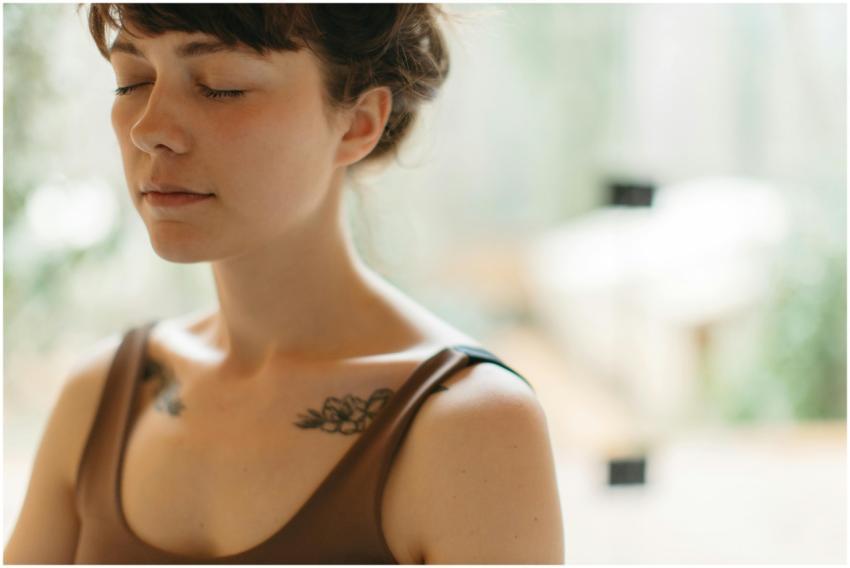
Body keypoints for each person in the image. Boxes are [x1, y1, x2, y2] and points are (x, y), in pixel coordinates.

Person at [4, 4, 564, 564]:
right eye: (133, 82)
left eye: (219, 87)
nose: (149, 130)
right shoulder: (102, 398)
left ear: (359, 121)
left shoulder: (468, 426)